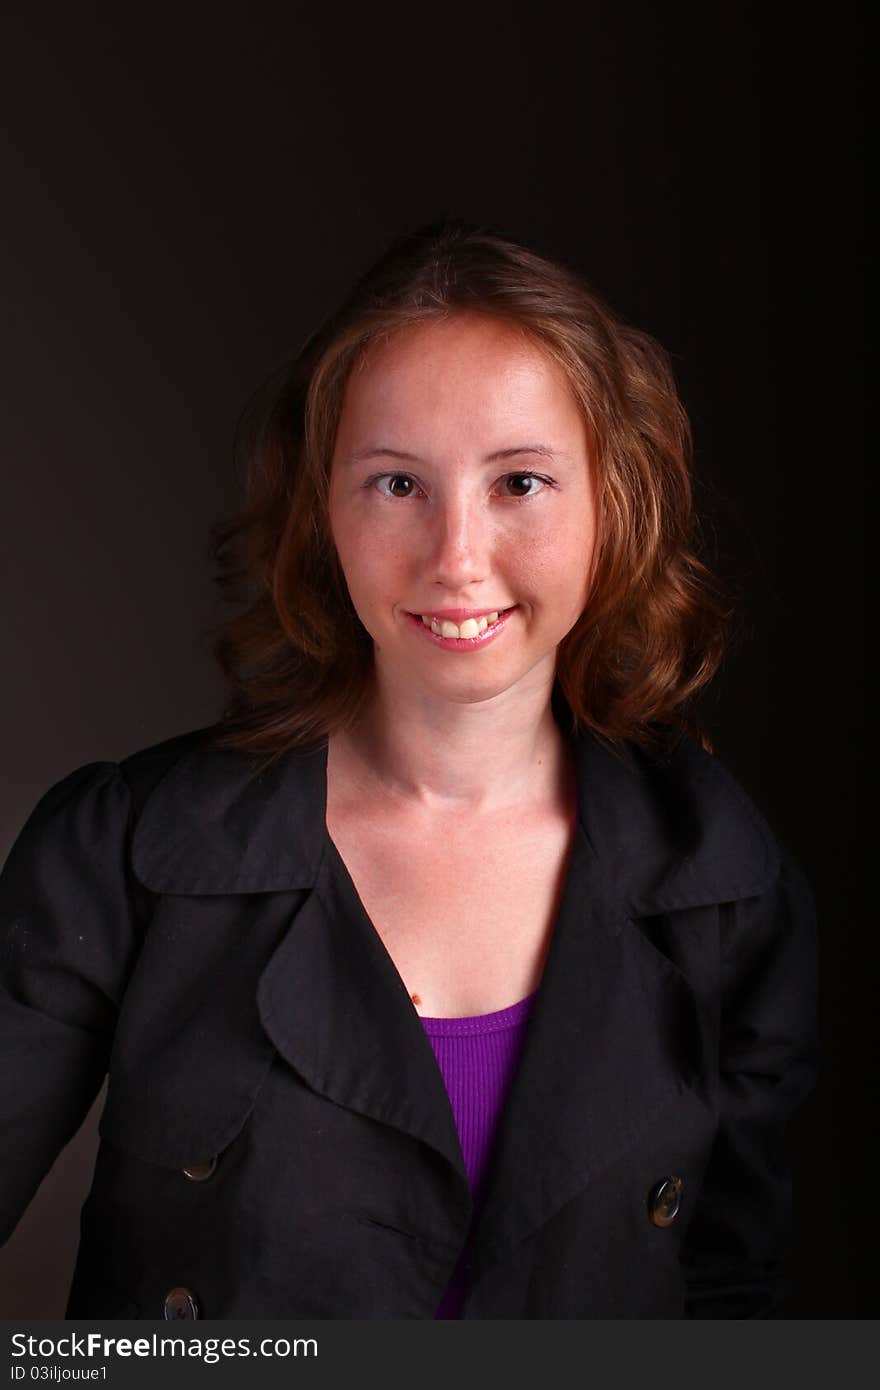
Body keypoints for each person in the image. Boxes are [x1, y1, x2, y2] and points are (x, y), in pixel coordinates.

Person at [0, 219, 818, 1319]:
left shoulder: (725, 883)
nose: (455, 558)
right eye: (396, 484)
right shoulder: (121, 852)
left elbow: (740, 1307)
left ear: (611, 503)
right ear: (321, 506)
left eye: (520, 482)